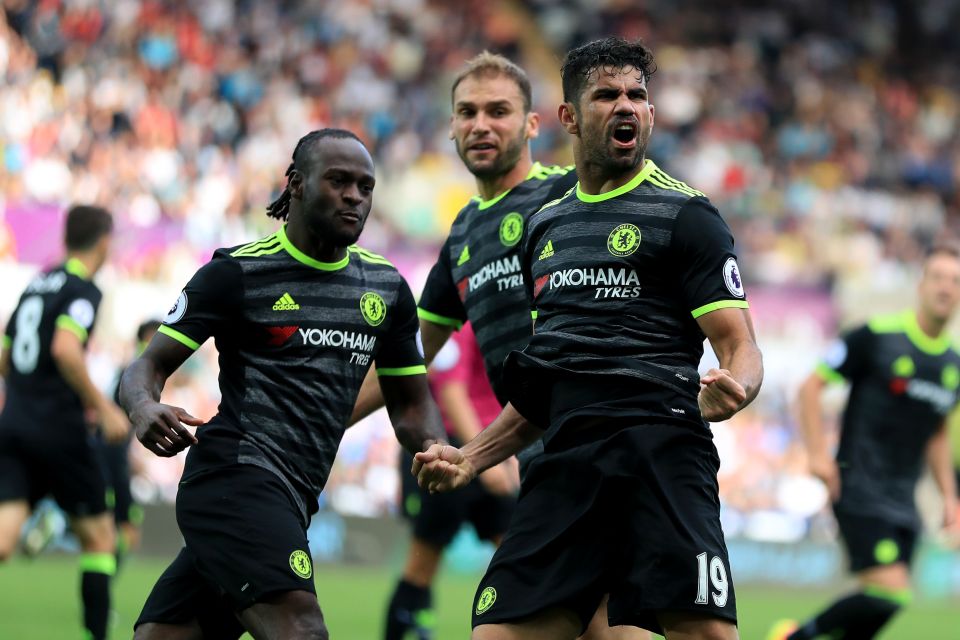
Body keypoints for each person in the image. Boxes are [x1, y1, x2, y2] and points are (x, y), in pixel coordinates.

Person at [414, 37, 763, 640]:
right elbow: (549, 384)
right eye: (607, 95)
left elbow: (741, 345)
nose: (625, 106)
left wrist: (741, 385)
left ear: (651, 114)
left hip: (662, 452)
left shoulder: (688, 215)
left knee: (702, 633)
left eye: (637, 95)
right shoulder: (546, 226)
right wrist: (469, 459)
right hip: (565, 462)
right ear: (570, 118)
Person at [353, 51, 643, 640]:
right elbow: (408, 359)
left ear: (534, 124)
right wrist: (314, 422)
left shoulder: (569, 196)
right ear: (453, 126)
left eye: (499, 111)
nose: (481, 124)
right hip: (542, 466)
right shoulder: (463, 233)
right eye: (467, 112)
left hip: (599, 453)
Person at [119, 128, 448, 640]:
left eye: (366, 187)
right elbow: (147, 366)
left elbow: (410, 403)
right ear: (295, 183)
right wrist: (143, 407)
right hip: (235, 477)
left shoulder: (387, 289)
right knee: (301, 630)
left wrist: (433, 446)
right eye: (338, 181)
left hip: (295, 495)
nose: (354, 197)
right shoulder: (238, 273)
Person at [770, 246, 960, 640]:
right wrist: (818, 455)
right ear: (921, 285)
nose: (946, 287)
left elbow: (937, 431)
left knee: (878, 607)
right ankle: (794, 637)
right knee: (890, 593)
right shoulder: (875, 336)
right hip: (858, 483)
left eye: (956, 281)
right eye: (938, 277)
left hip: (904, 498)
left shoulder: (953, 367)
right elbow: (810, 387)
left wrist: (950, 497)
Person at [0, 204, 130, 640]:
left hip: (14, 422)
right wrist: (103, 406)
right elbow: (65, 349)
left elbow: (4, 353)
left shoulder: (37, 283)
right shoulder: (82, 289)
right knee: (99, 540)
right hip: (60, 429)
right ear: (105, 240)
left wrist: (27, 390)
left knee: (3, 543)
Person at [386, 323, 518, 640]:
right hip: (447, 450)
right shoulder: (462, 321)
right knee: (422, 565)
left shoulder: (504, 316)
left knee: (520, 557)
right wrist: (484, 462)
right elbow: (451, 392)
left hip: (492, 450)